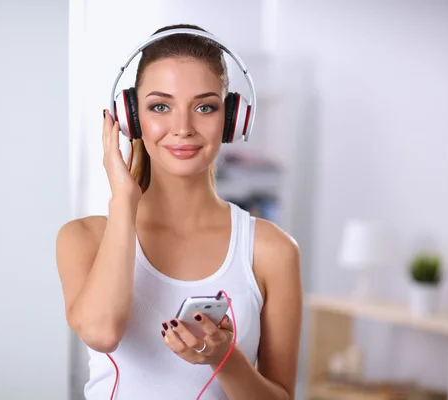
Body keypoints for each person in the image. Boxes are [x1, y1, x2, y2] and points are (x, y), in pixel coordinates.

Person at [56, 23, 303, 399]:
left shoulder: (272, 251)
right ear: (130, 118)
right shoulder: (83, 239)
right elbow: (103, 332)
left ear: (232, 120)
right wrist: (123, 201)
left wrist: (224, 358)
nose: (183, 128)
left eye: (205, 107)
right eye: (160, 106)